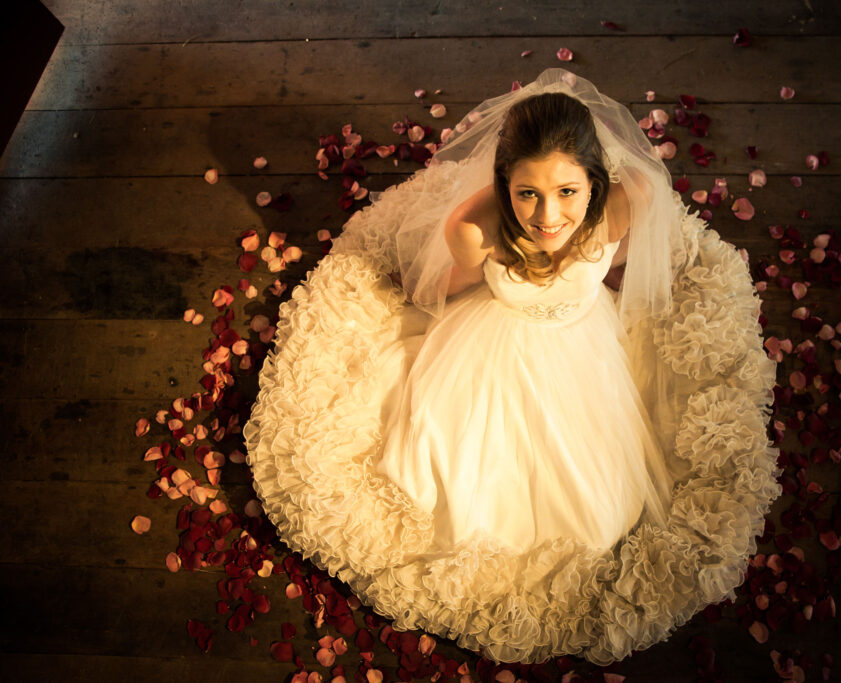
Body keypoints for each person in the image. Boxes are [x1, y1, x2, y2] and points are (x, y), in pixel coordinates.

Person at [243, 69, 782, 666]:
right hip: (490, 352)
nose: (548, 218)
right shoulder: (474, 229)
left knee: (598, 511)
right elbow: (447, 289)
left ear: (595, 184)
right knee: (452, 482)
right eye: (528, 194)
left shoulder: (625, 204)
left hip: (583, 356)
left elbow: (631, 221)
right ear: (504, 185)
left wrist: (597, 262)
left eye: (568, 193)